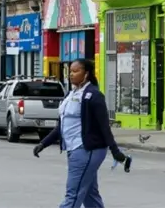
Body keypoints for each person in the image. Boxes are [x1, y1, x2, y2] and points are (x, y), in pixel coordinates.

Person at [33, 58, 126, 208]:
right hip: (73, 149)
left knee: (73, 194)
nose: (71, 74)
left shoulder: (94, 95)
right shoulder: (70, 95)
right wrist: (43, 143)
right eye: (70, 71)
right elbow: (61, 126)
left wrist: (115, 151)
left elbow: (104, 127)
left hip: (87, 149)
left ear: (86, 74)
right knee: (90, 194)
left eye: (76, 71)